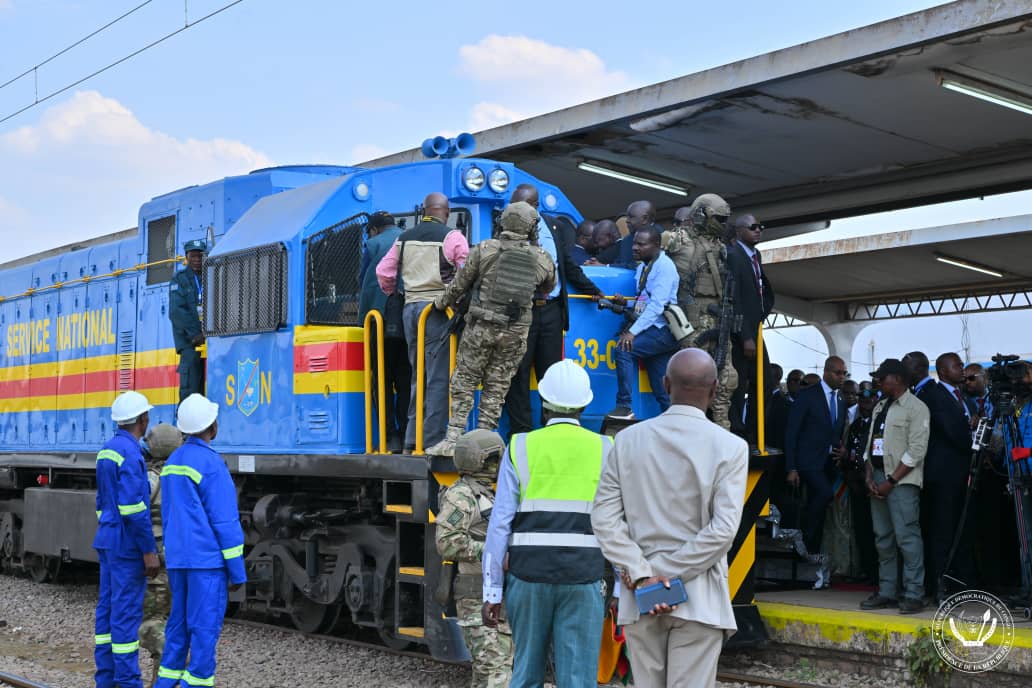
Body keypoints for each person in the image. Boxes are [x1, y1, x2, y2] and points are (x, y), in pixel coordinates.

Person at [593, 348, 748, 688]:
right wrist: (668, 576)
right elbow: (723, 530)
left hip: (641, 598)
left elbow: (604, 518)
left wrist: (644, 573)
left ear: (665, 383)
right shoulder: (731, 447)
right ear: (715, 388)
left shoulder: (626, 440)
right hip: (699, 599)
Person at [482, 360, 611, 688]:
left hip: (528, 577)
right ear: (585, 404)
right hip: (584, 577)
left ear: (544, 402)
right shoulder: (606, 448)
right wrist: (623, 590)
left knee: (525, 674)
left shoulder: (520, 446)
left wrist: (492, 591)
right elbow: (620, 522)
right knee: (578, 680)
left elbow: (500, 525)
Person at [426, 202, 555, 456]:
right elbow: (549, 286)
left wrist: (439, 304)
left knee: (464, 381)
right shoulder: (541, 257)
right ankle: (486, 444)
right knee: (496, 387)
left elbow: (459, 285)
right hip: (515, 333)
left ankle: (452, 440)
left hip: (481, 328)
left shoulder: (485, 249)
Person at [155, 394, 246, 687]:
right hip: (206, 564)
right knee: (204, 633)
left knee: (177, 629)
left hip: (179, 561)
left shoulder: (172, 462)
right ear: (213, 427)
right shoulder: (211, 464)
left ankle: (165, 683)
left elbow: (168, 516)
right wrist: (236, 571)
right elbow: (224, 522)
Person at [503, 184, 601, 438]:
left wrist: (593, 290)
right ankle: (521, 434)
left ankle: (552, 431)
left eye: (521, 206)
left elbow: (566, 263)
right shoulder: (504, 226)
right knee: (518, 375)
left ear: (535, 207)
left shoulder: (554, 225)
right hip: (521, 314)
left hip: (552, 312)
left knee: (551, 374)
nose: (515, 211)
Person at [376, 193, 469, 451]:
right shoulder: (452, 237)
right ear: (446, 212)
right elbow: (467, 270)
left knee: (418, 375)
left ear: (425, 211)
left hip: (410, 310)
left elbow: (383, 273)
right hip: (438, 311)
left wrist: (400, 294)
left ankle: (411, 439)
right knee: (439, 377)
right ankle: (432, 440)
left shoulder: (403, 239)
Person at [435, 430, 512, 688]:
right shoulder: (462, 496)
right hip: (475, 595)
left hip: (489, 596)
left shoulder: (484, 493)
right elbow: (446, 542)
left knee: (488, 673)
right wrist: (492, 552)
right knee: (496, 673)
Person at [94, 391, 161, 688]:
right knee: (125, 615)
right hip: (126, 545)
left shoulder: (107, 450)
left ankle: (106, 679)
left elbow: (101, 503)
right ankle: (129, 682)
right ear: (142, 420)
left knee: (107, 612)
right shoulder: (132, 455)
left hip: (107, 539)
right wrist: (149, 550)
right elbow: (135, 511)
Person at [662, 195, 739, 430]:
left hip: (717, 320)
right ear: (702, 214)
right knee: (691, 379)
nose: (723, 224)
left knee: (726, 379)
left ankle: (720, 428)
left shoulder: (720, 247)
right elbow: (650, 262)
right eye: (719, 219)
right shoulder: (676, 240)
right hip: (691, 322)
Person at [861, 359, 929, 614]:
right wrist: (869, 475)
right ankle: (888, 591)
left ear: (897, 379)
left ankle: (914, 594)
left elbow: (917, 450)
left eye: (882, 378)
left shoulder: (916, 407)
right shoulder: (880, 406)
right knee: (883, 539)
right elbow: (871, 444)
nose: (878, 382)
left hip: (901, 482)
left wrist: (890, 481)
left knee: (907, 538)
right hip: (878, 478)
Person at [912, 351, 976, 601]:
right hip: (943, 476)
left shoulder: (963, 397)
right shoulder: (935, 396)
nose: (962, 369)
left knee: (960, 529)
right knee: (941, 529)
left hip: (961, 474)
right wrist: (971, 437)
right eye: (957, 365)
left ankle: (960, 578)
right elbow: (952, 431)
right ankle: (938, 583)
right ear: (943, 371)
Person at [784, 356, 849, 588]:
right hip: (807, 462)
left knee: (820, 507)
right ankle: (807, 543)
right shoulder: (807, 396)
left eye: (845, 373)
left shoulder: (840, 399)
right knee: (823, 495)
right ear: (827, 372)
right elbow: (792, 433)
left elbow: (836, 431)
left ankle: (813, 553)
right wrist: (791, 467)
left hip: (829, 463)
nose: (842, 377)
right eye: (839, 373)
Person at [607, 224, 680, 419]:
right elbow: (645, 302)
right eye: (634, 244)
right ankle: (676, 419)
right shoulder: (643, 267)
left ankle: (624, 406)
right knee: (660, 387)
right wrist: (625, 304)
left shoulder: (665, 267)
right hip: (652, 328)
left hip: (663, 330)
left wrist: (632, 333)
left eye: (641, 244)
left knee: (623, 347)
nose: (635, 248)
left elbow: (657, 306)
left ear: (657, 245)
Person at [359, 211, 411, 452]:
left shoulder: (372, 244)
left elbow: (365, 284)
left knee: (381, 378)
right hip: (410, 320)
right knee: (405, 379)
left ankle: (390, 436)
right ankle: (408, 433)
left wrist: (363, 321)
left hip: (379, 319)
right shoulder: (410, 238)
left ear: (374, 229)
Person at [138, 422, 183, 687]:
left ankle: (175, 657)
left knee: (152, 621)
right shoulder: (182, 477)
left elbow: (136, 515)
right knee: (170, 618)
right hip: (178, 554)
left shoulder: (150, 479)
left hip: (154, 556)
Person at [727, 214, 774, 439]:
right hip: (741, 333)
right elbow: (734, 297)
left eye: (760, 226)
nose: (758, 230)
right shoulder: (734, 256)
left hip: (756, 328)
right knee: (738, 383)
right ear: (739, 231)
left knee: (764, 381)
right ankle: (737, 429)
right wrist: (745, 335)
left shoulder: (756, 255)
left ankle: (755, 431)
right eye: (753, 227)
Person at [842, 383, 879, 584]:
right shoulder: (856, 425)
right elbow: (848, 454)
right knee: (862, 529)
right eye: (862, 399)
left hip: (873, 484)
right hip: (856, 484)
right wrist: (850, 477)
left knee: (877, 530)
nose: (865, 403)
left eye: (869, 399)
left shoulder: (880, 423)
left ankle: (879, 572)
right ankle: (867, 570)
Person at [168, 239, 207, 401]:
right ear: (187, 257)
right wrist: (195, 334)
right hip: (191, 343)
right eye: (193, 256)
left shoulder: (211, 275)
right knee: (190, 392)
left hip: (209, 340)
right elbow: (177, 312)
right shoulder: (179, 279)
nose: (197, 259)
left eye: (200, 256)